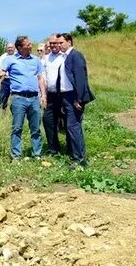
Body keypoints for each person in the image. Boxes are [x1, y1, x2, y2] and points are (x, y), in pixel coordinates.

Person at [0, 36, 46, 160]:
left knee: (35, 128)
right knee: (17, 128)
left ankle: (37, 154)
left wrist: (43, 95)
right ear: (20, 47)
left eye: (30, 44)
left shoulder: (35, 60)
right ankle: (16, 156)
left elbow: (40, 78)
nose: (31, 46)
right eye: (28, 44)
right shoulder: (10, 60)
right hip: (18, 98)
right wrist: (0, 74)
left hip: (34, 98)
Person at [59, 32, 95, 168]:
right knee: (74, 127)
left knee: (72, 126)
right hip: (67, 97)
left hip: (73, 97)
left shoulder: (75, 56)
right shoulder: (66, 57)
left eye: (61, 42)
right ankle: (81, 157)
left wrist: (78, 99)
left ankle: (78, 159)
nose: (59, 45)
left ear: (69, 42)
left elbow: (80, 79)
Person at [42, 34, 68, 156]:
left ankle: (71, 148)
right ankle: (54, 149)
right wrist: (43, 95)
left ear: (60, 43)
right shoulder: (46, 59)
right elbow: (43, 77)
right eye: (51, 43)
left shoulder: (65, 57)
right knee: (48, 121)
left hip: (63, 95)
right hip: (50, 95)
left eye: (55, 43)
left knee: (68, 122)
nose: (53, 45)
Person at [0, 43, 16, 109]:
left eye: (11, 47)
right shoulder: (3, 57)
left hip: (15, 80)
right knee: (2, 98)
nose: (9, 49)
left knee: (15, 98)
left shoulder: (18, 56)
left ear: (14, 48)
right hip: (6, 80)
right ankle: (2, 113)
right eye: (8, 48)